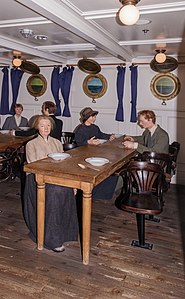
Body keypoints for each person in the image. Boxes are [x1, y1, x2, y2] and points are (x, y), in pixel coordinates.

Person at [23, 115, 78, 252]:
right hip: (37, 178)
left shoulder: (57, 142)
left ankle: (64, 233)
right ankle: (52, 240)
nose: (46, 128)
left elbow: (64, 163)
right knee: (56, 192)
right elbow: (33, 166)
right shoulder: (31, 144)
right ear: (37, 127)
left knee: (68, 188)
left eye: (48, 125)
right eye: (42, 125)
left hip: (55, 176)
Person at [74, 107, 118, 200]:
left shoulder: (95, 127)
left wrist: (110, 136)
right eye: (92, 117)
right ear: (86, 118)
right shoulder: (80, 129)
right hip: (83, 156)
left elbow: (101, 135)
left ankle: (101, 193)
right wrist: (88, 142)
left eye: (95, 117)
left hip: (95, 154)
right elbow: (78, 143)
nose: (94, 119)